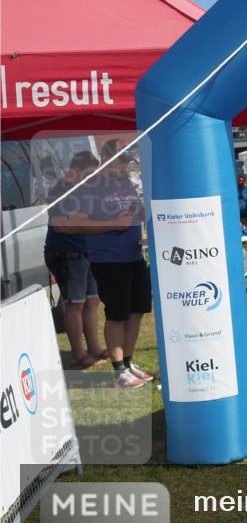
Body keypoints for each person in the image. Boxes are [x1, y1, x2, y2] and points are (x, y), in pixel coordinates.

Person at [77, 141, 154, 388]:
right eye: (121, 159)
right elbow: (78, 222)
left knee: (137, 310)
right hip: (108, 260)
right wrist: (114, 225)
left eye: (128, 160)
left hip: (133, 255)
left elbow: (136, 212)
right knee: (117, 314)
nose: (125, 165)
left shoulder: (125, 182)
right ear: (105, 157)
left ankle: (129, 363)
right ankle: (118, 370)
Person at [44, 151, 106, 369]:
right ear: (76, 170)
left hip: (85, 252)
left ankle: (95, 349)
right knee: (75, 304)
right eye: (90, 173)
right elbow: (61, 225)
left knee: (92, 301)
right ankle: (78, 355)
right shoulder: (61, 190)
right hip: (67, 253)